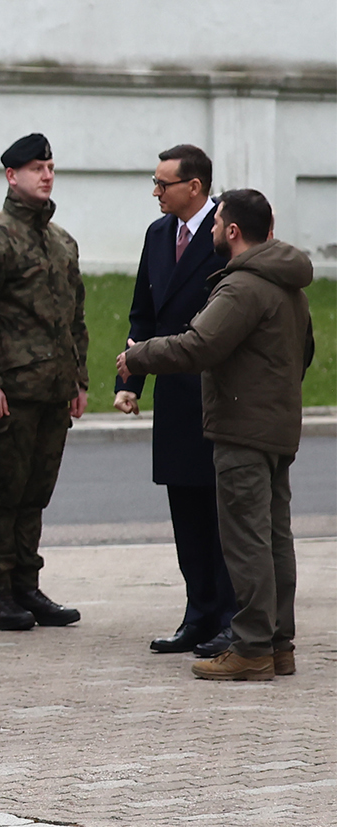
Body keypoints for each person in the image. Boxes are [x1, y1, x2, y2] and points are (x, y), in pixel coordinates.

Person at [117, 189, 315, 683]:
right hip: (276, 427)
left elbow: (199, 344)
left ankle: (250, 647)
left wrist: (138, 356)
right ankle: (277, 643)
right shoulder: (289, 284)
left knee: (246, 540)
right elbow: (305, 352)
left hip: (241, 429)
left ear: (232, 231)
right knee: (273, 538)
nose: (209, 231)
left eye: (216, 223)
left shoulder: (242, 286)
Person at [0, 133, 90, 632]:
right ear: (11, 176)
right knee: (5, 495)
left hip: (52, 391)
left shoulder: (60, 241)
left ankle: (26, 587)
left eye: (50, 166)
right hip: (10, 394)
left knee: (36, 494)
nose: (46, 175)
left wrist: (77, 379)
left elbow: (74, 317)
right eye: (36, 167)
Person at [115, 144, 235, 658]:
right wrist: (130, 384)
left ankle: (231, 618)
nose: (156, 192)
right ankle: (198, 612)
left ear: (195, 188)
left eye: (164, 184)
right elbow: (145, 314)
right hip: (171, 396)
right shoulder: (158, 234)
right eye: (155, 182)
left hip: (216, 393)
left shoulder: (227, 237)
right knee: (184, 509)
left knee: (220, 513)